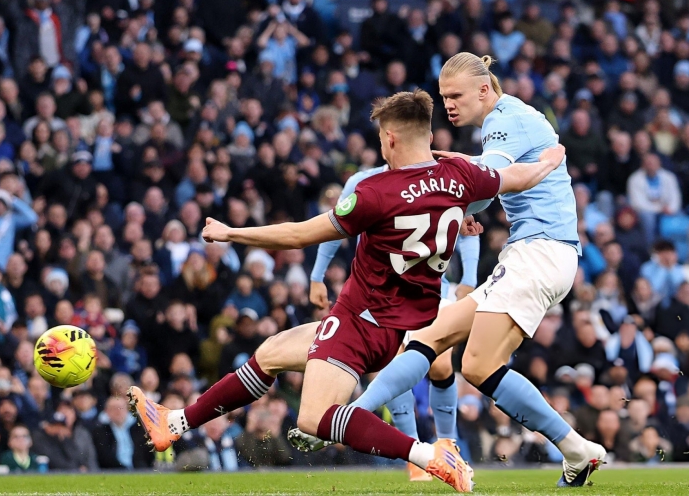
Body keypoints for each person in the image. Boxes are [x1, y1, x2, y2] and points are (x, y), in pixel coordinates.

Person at [129, 89, 565, 492]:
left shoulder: (374, 192)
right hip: (401, 329)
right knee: (272, 353)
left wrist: (232, 234)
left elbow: (301, 234)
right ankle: (176, 422)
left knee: (315, 418)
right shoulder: (461, 175)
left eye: (380, 139)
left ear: (390, 139)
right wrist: (549, 161)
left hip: (360, 321)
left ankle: (429, 455)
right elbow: (517, 176)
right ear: (429, 136)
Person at [289, 53, 606, 488]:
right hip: (530, 254)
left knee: (477, 366)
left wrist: (448, 200)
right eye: (443, 97)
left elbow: (485, 174)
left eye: (456, 95)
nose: (449, 105)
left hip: (541, 254)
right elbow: (480, 184)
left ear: (484, 89)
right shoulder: (509, 120)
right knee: (426, 339)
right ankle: (355, 413)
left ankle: (572, 447)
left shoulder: (505, 119)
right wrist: (459, 206)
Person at [307, 164, 484, 481]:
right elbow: (332, 228)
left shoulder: (444, 178)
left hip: (431, 288)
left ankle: (447, 443)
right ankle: (415, 456)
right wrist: (316, 275)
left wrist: (469, 278)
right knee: (396, 359)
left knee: (441, 365)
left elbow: (468, 222)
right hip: (379, 294)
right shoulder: (363, 182)